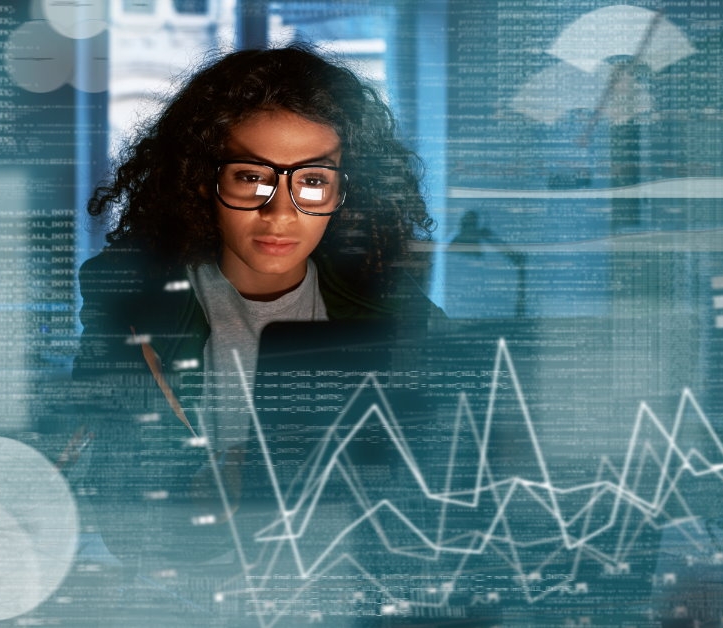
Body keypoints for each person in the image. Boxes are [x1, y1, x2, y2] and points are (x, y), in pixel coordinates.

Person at [68, 44, 447, 624]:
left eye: (313, 181)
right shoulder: (133, 310)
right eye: (251, 178)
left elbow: (448, 498)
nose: (281, 213)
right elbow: (115, 506)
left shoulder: (396, 319)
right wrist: (206, 493)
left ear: (346, 193)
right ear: (201, 181)